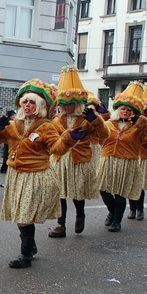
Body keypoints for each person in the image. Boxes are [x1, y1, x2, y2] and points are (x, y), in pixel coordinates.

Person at [0, 79, 87, 268]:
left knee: (25, 216)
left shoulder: (46, 126)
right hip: (15, 175)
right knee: (20, 216)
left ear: (41, 106)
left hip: (35, 175)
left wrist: (69, 138)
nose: (27, 105)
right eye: (25, 102)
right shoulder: (16, 124)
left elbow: (57, 148)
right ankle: (30, 247)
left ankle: (25, 255)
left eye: (32, 102)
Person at [48, 66, 109, 238]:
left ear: (78, 102)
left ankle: (80, 214)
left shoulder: (86, 118)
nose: (67, 106)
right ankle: (60, 225)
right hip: (60, 159)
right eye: (64, 103)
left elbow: (105, 135)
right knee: (59, 193)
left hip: (79, 159)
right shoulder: (57, 120)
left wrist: (96, 120)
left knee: (76, 193)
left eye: (70, 103)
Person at [98, 81, 147, 232]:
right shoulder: (109, 123)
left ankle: (117, 221)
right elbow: (100, 138)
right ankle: (112, 212)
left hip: (127, 162)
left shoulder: (139, 127)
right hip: (108, 161)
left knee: (120, 192)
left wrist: (143, 124)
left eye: (128, 109)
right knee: (103, 190)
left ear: (134, 112)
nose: (125, 111)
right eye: (123, 108)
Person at [126, 82, 147, 220]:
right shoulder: (126, 124)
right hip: (130, 157)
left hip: (144, 158)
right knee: (129, 184)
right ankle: (132, 209)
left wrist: (142, 129)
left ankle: (139, 209)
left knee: (138, 185)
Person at [0, 109, 16, 173]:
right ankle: (4, 167)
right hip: (8, 140)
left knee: (8, 154)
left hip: (10, 140)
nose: (14, 116)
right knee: (7, 154)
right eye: (13, 115)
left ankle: (5, 167)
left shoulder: (14, 121)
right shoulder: (9, 122)